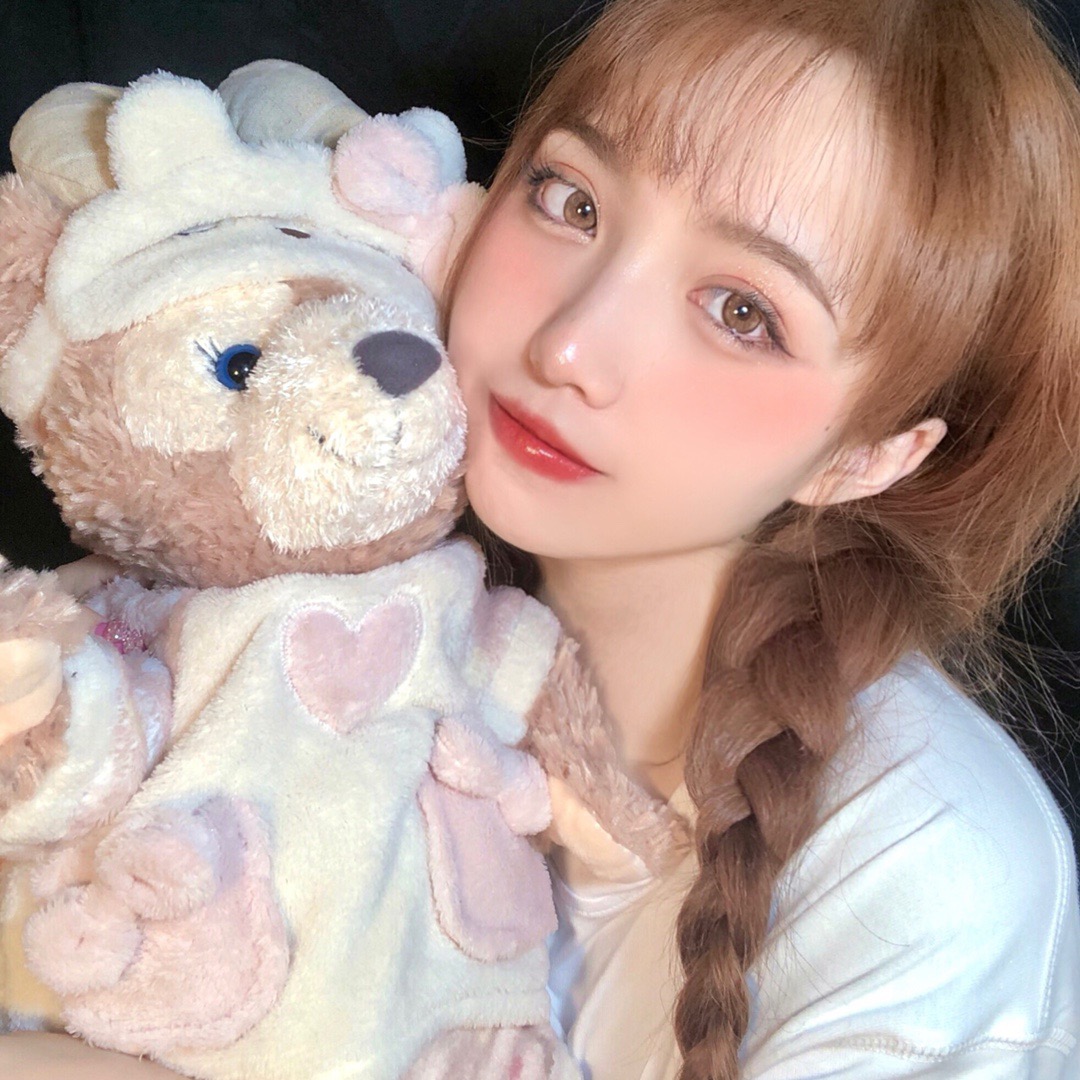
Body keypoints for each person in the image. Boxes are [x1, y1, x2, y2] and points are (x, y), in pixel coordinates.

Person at [2, 0, 1079, 1076]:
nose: (571, 345)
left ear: (872, 455)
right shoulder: (292, 609)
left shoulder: (927, 866)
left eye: (742, 313)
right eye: (572, 201)